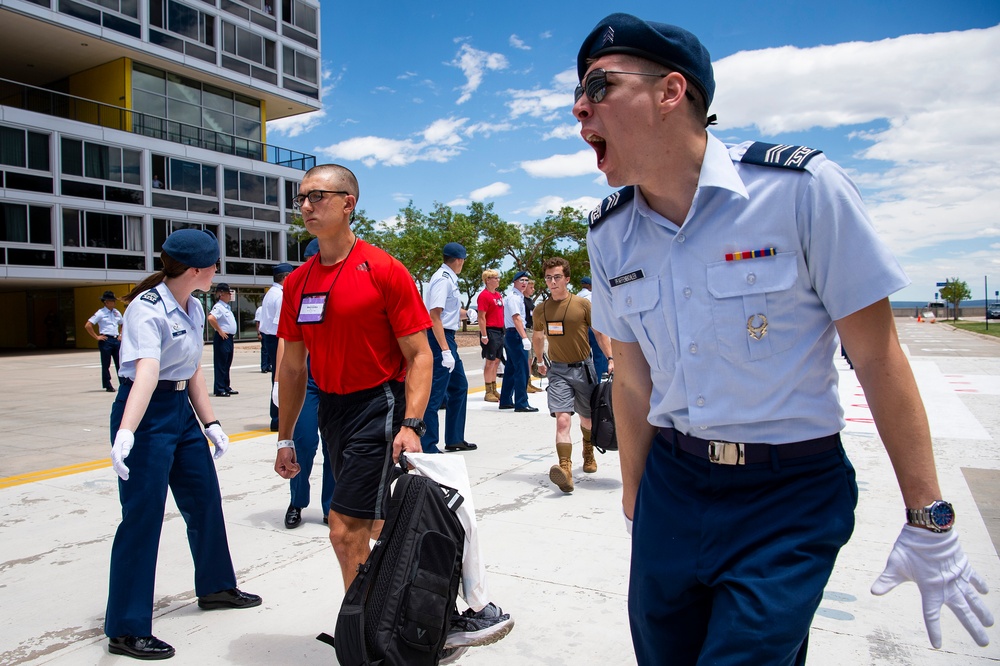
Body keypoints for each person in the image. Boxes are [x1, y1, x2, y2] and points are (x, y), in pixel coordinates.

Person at [576, 12, 993, 665]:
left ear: (670, 92)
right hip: (673, 487)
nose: (579, 109)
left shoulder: (801, 191)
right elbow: (630, 379)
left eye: (599, 87)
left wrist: (929, 517)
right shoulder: (609, 233)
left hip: (788, 493)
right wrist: (637, 497)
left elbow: (879, 358)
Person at [272, 164, 510, 648]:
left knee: (344, 529)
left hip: (379, 403)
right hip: (333, 410)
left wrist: (413, 422)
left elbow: (419, 354)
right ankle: (444, 611)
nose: (307, 206)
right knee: (378, 523)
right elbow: (294, 368)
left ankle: (368, 637)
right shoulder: (298, 283)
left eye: (317, 196)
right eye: (301, 198)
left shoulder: (383, 269)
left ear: (348, 203)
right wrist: (285, 435)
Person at [106, 229, 260, 660]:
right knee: (142, 517)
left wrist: (210, 422)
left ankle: (215, 586)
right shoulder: (146, 309)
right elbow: (148, 371)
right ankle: (126, 627)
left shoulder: (193, 305)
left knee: (204, 500)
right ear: (196, 270)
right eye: (213, 266)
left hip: (181, 413)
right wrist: (127, 431)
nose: (217, 273)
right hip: (146, 413)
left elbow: (190, 368)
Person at [531, 258, 613, 493]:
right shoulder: (541, 309)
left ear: (567, 279)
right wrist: (539, 360)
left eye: (557, 277)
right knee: (563, 418)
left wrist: (610, 358)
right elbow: (538, 336)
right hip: (557, 370)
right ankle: (565, 468)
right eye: (548, 277)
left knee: (587, 419)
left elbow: (599, 333)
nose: (552, 282)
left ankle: (588, 452)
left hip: (584, 369)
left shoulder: (582, 305)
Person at [272, 239, 336, 529]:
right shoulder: (297, 290)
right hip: (307, 379)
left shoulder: (344, 288)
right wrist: (278, 380)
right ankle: (297, 501)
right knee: (304, 442)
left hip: (335, 377)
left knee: (334, 447)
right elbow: (285, 339)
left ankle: (331, 506)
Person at [422, 242, 477, 453]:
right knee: (435, 393)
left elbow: (446, 312)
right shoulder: (443, 280)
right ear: (460, 260)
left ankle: (454, 438)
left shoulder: (448, 279)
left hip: (447, 338)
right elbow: (434, 316)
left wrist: (467, 313)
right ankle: (428, 445)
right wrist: (445, 350)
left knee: (459, 387)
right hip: (440, 340)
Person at [497, 271, 538, 412]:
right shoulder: (514, 298)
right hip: (516, 334)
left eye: (526, 280)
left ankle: (506, 400)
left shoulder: (518, 296)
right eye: (521, 280)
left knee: (511, 369)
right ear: (514, 282)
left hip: (513, 334)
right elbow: (516, 318)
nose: (524, 283)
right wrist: (525, 337)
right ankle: (521, 402)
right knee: (522, 369)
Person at [261, 262, 292, 431]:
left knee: (277, 376)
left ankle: (277, 418)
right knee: (280, 377)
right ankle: (278, 418)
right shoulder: (280, 295)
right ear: (286, 277)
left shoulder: (270, 293)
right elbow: (282, 324)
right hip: (278, 339)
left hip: (270, 338)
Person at [86, 290, 124, 392]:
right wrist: (96, 337)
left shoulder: (116, 312)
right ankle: (108, 385)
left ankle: (123, 383)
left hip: (116, 340)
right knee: (106, 364)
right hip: (106, 340)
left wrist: (121, 335)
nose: (114, 303)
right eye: (112, 301)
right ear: (106, 302)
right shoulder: (100, 313)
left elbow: (123, 323)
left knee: (120, 363)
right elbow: (88, 325)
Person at [477, 269, 505, 402]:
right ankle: (488, 391)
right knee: (489, 361)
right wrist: (484, 334)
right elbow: (481, 316)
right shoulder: (484, 296)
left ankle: (494, 388)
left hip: (500, 330)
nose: (498, 280)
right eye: (495, 278)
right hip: (490, 330)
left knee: (496, 361)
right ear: (488, 280)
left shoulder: (498, 295)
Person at [207, 283, 239, 397]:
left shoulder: (226, 307)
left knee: (227, 363)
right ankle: (220, 388)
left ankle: (226, 386)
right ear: (221, 294)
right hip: (222, 338)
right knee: (221, 363)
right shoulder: (219, 307)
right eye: (228, 293)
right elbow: (211, 318)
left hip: (229, 338)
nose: (230, 295)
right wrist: (219, 330)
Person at [578, 276, 610, 379]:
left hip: (581, 329)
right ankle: (597, 379)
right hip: (593, 327)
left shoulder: (577, 296)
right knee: (598, 355)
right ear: (589, 286)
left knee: (584, 356)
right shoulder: (592, 296)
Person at [523, 278, 543, 394]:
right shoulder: (522, 300)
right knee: (528, 357)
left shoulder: (530, 301)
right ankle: (526, 382)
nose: (533, 290)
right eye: (531, 287)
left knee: (531, 357)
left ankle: (529, 381)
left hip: (532, 329)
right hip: (527, 329)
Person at [254, 305, 271, 373]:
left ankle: (268, 365)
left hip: (269, 331)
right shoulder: (260, 309)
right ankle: (264, 367)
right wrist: (259, 333)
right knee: (264, 349)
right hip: (263, 331)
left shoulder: (269, 308)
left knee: (270, 349)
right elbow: (257, 322)